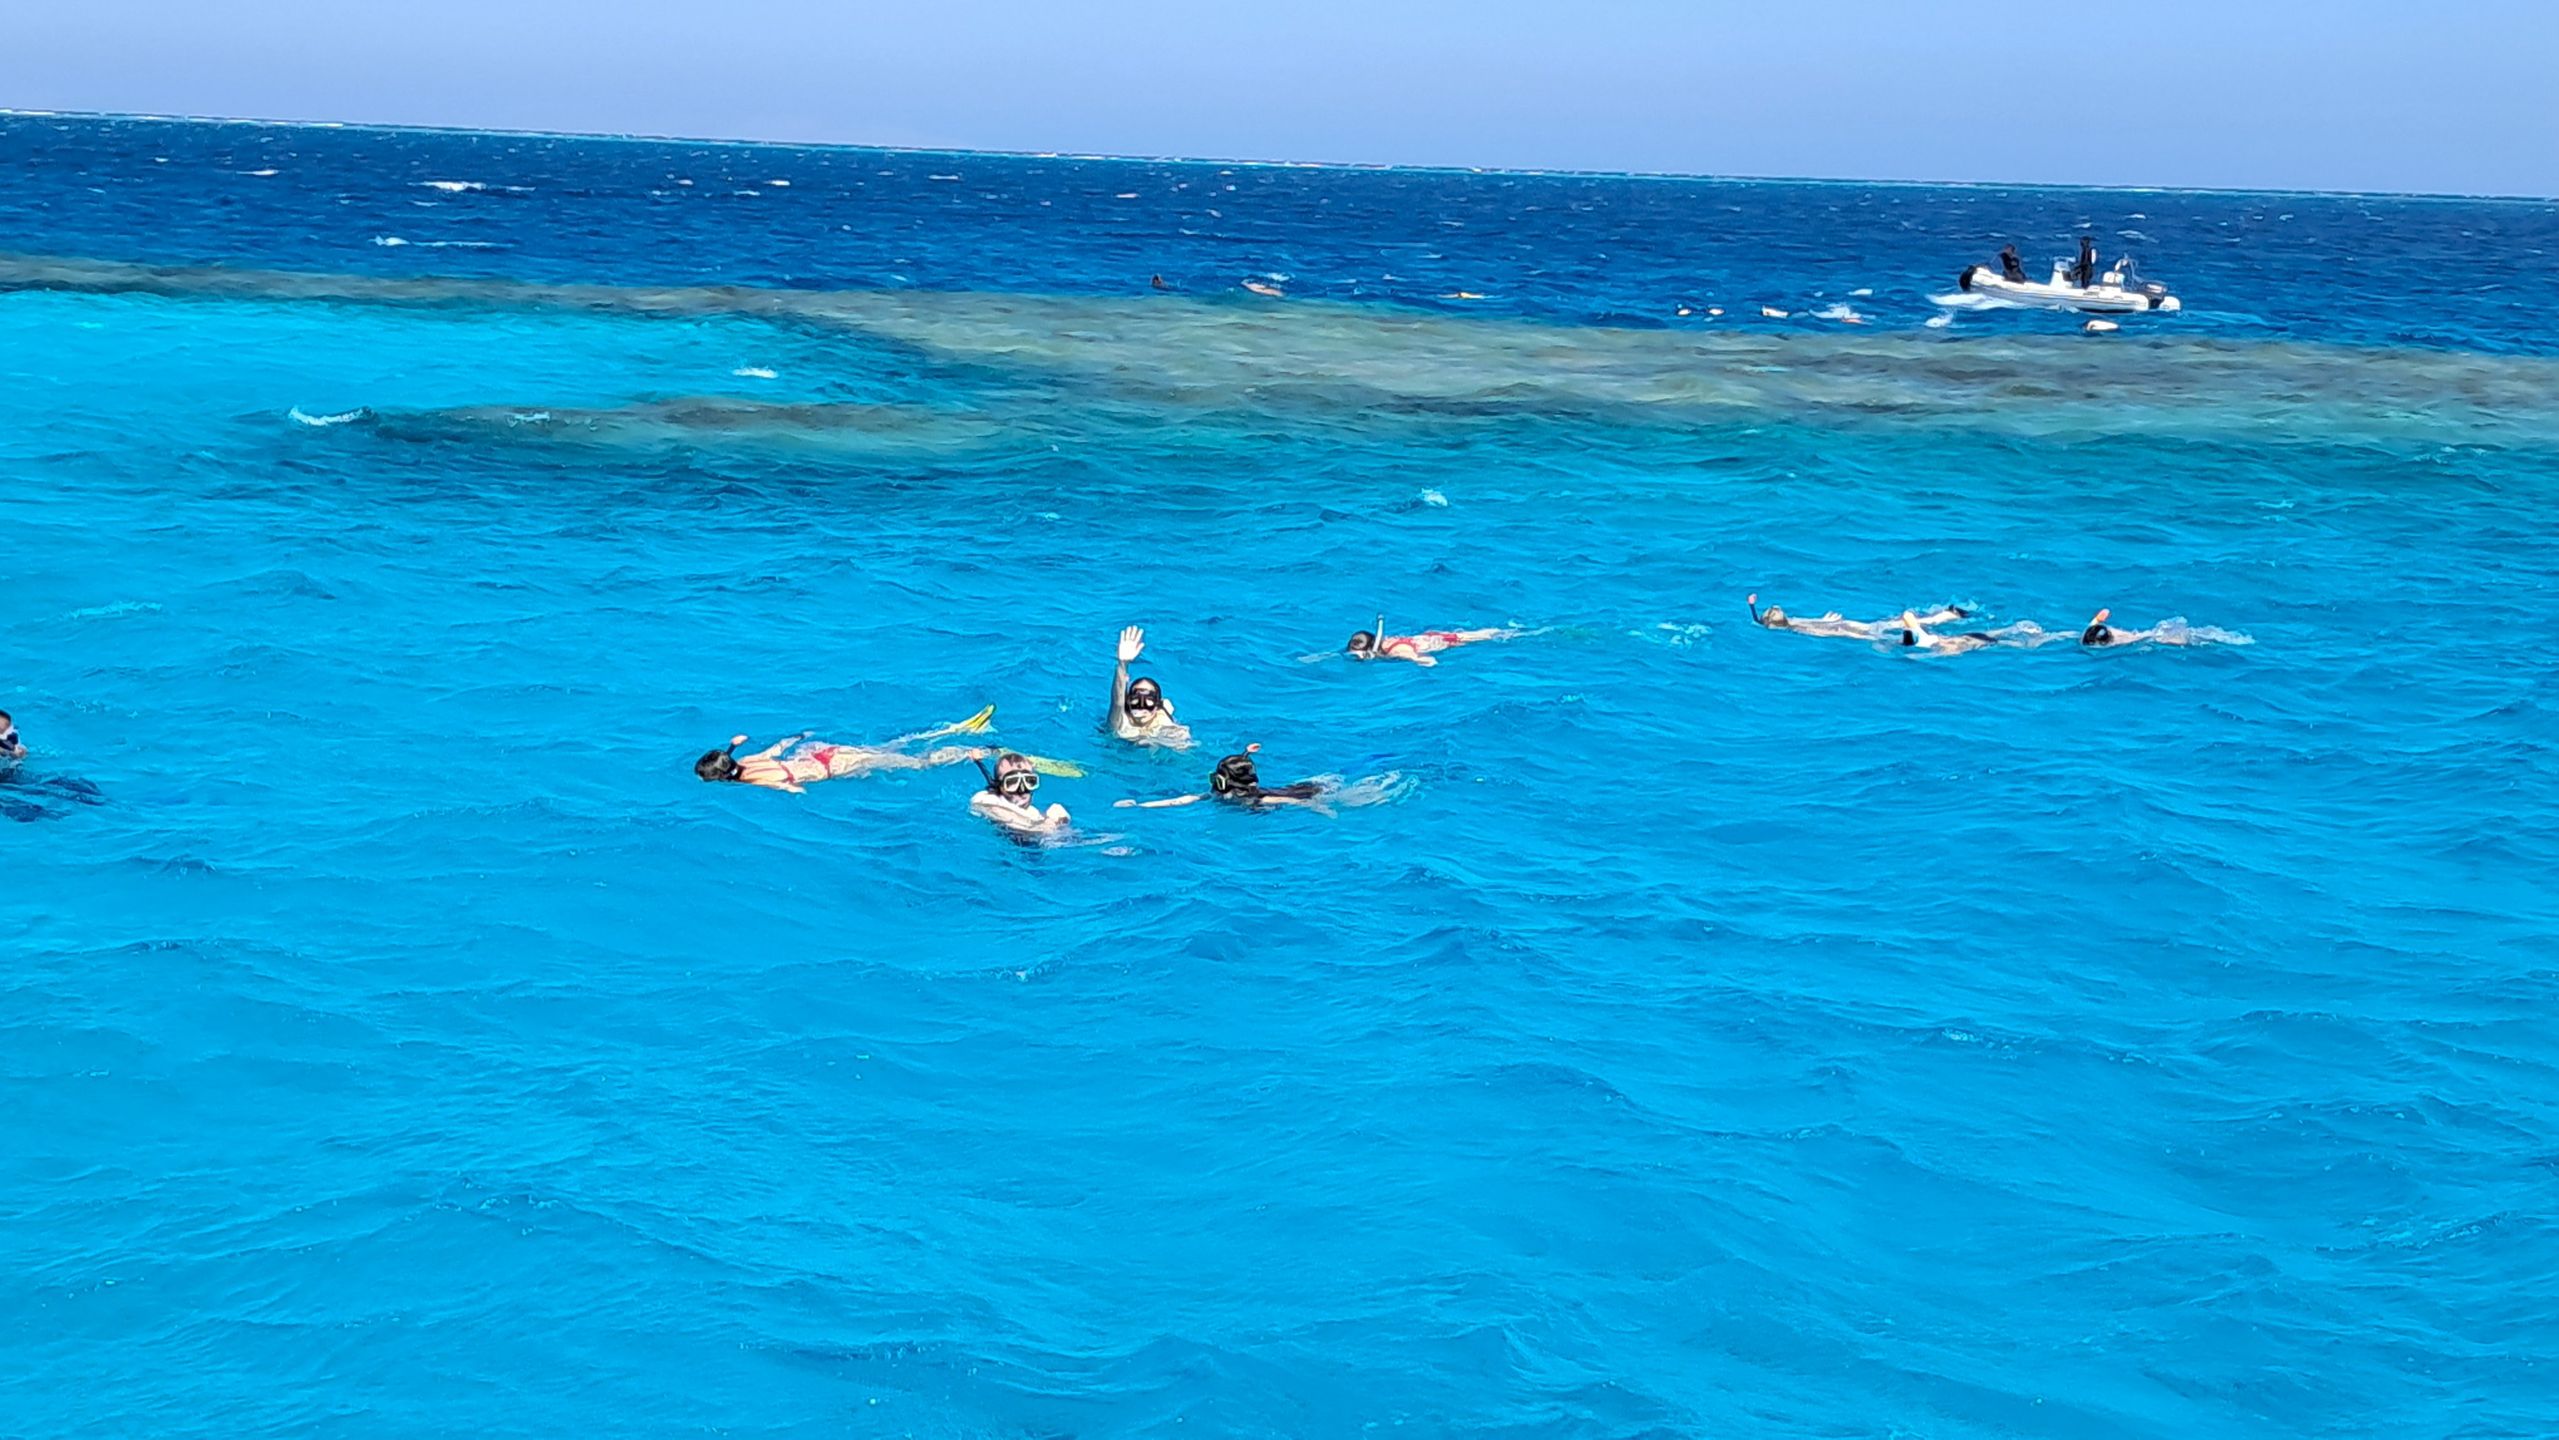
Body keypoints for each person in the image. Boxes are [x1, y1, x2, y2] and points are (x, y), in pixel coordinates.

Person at [694, 707, 1000, 793]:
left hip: (832, 768)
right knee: (891, 746)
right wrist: (799, 735)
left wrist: (795, 792)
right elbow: (778, 747)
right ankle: (950, 730)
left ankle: (979, 751)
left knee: (917, 763)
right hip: (819, 751)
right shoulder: (748, 759)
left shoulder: (754, 781)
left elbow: (791, 788)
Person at [1115, 744, 1325, 810]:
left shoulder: (1262, 799)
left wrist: (1325, 810)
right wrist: (1140, 805)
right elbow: (1180, 800)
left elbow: (1299, 802)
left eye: (1218, 782)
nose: (1214, 788)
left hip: (1314, 790)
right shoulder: (1216, 795)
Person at [1108, 626, 1193, 748]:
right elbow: (1118, 701)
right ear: (1128, 702)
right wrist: (1122, 663)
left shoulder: (1163, 722)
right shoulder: (1121, 721)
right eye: (1136, 699)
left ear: (1157, 705)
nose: (1141, 706)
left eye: (1149, 701)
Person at [1749, 594, 1969, 641]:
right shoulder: (1794, 621)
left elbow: (1818, 631)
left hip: (1841, 629)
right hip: (1843, 624)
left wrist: (1828, 624)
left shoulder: (1794, 628)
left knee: (1878, 636)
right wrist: (1827, 621)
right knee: (1885, 624)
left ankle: (1929, 635)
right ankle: (1946, 616)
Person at [1344, 618, 1519, 667]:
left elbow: (1427, 660)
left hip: (1447, 641)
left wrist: (1424, 662)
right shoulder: (1384, 643)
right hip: (1429, 636)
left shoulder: (1398, 650)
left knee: (1497, 635)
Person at [970, 752, 1071, 836]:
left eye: (1029, 781)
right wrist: (1050, 823)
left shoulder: (1032, 812)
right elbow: (1012, 821)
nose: (1022, 789)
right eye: (1012, 782)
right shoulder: (987, 801)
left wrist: (1062, 824)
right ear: (999, 785)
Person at [1897, 610, 2052, 655]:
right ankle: (2023, 629)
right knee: (2000, 634)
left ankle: (2047, 638)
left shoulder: (1922, 643)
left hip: (1971, 642)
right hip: (1968, 637)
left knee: (2005, 643)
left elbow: (1952, 653)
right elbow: (1907, 615)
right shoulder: (1922, 637)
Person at [2079, 608, 2195, 648]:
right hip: (2125, 637)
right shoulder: (2089, 633)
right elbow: (2093, 626)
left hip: (2130, 639)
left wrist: (2098, 619)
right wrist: (2097, 619)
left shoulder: (2088, 638)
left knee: (2152, 637)